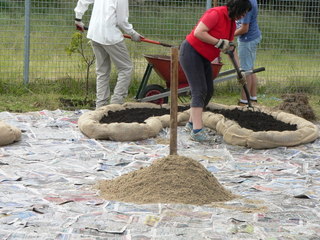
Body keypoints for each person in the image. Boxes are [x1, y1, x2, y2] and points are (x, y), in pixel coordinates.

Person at [179, 0, 252, 142]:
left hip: (204, 57)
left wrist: (240, 70)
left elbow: (230, 48)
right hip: (191, 52)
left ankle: (191, 123)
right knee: (199, 90)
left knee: (209, 90)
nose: (242, 16)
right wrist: (218, 42)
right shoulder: (216, 13)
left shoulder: (231, 23)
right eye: (242, 12)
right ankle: (197, 131)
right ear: (236, 7)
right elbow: (199, 32)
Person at [74, 0, 143, 108]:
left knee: (102, 72)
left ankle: (100, 106)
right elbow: (121, 21)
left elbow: (83, 0)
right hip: (110, 37)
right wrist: (133, 34)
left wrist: (78, 19)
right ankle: (115, 104)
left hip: (95, 34)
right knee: (125, 68)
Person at [234, 0, 261, 106]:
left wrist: (229, 36)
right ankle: (253, 98)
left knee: (246, 71)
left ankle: (244, 101)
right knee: (250, 69)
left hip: (247, 40)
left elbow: (244, 28)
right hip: (252, 37)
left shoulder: (247, 4)